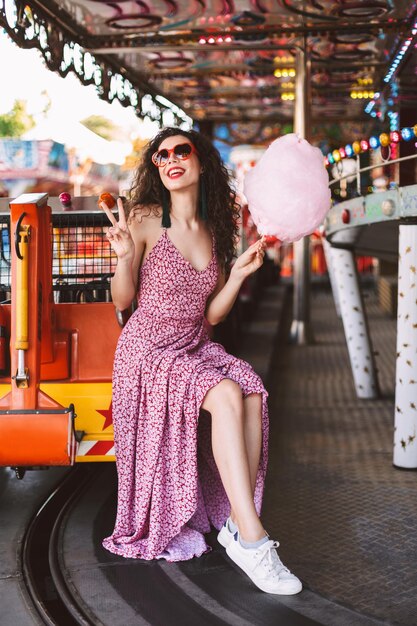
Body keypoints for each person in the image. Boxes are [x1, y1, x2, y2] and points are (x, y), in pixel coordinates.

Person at [101, 127, 302, 595]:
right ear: (156, 169)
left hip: (193, 342)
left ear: (200, 161)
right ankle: (253, 541)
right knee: (227, 394)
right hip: (148, 350)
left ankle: (237, 521)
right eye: (160, 155)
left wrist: (235, 276)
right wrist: (124, 258)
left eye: (180, 151)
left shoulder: (213, 229)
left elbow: (210, 312)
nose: (170, 159)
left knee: (250, 388)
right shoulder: (147, 219)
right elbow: (123, 300)